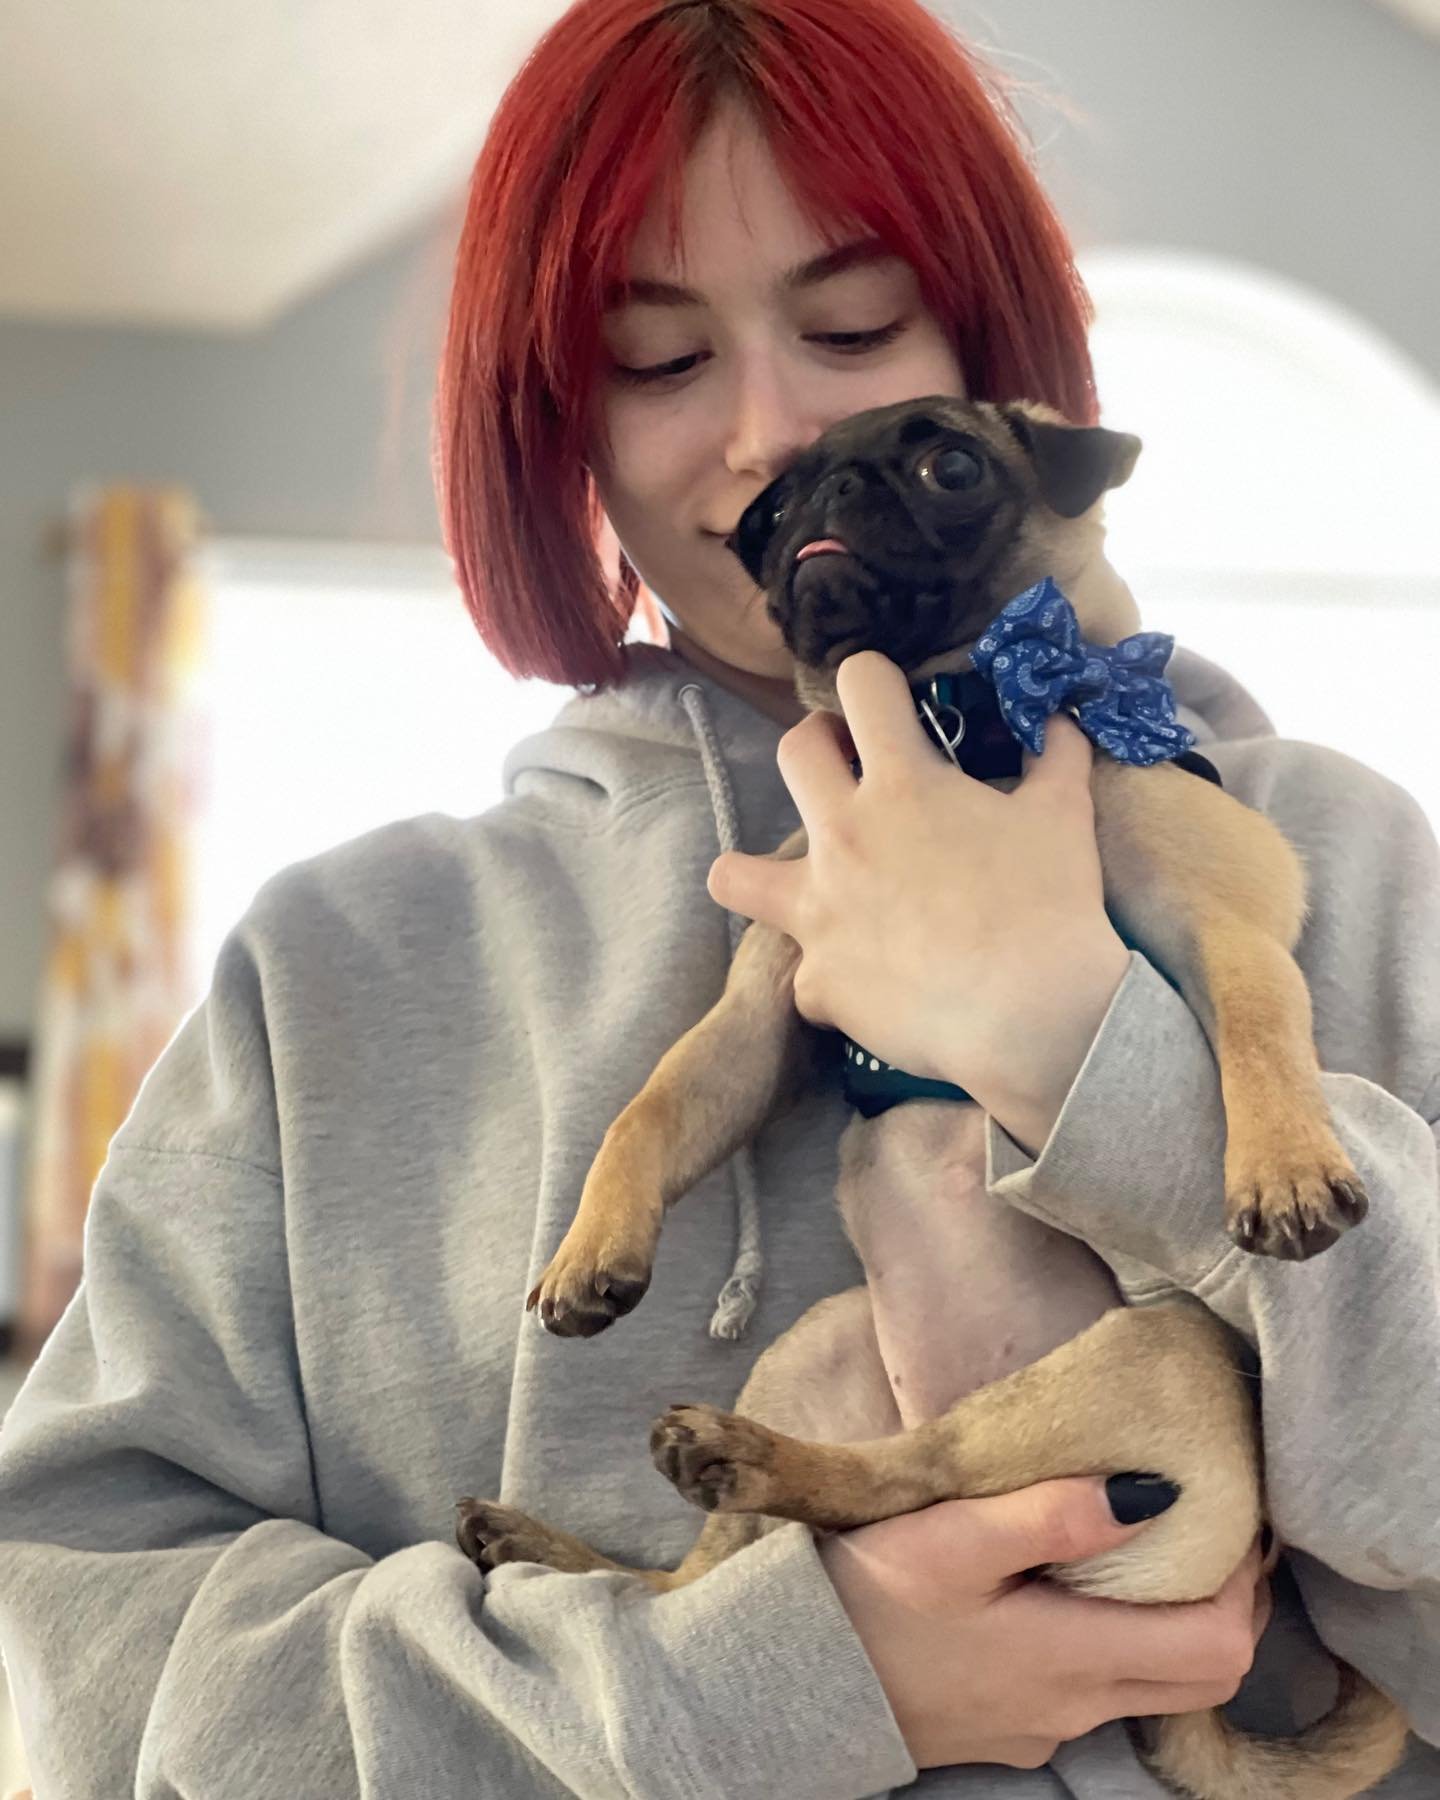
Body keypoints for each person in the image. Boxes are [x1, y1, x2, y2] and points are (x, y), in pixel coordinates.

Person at [0, 0, 1436, 1794]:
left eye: (853, 327)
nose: (771, 431)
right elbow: (82, 1662)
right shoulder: (335, 975)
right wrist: (767, 1687)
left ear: (1001, 367)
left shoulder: (1346, 865)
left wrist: (1096, 1054)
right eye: (658, 362)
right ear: (558, 430)